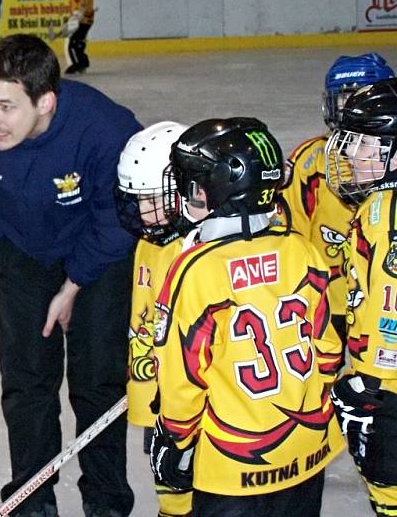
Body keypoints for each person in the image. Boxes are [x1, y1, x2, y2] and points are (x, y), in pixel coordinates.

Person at [0, 35, 141, 517]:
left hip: (96, 256)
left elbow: (120, 216)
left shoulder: (105, 129)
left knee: (99, 383)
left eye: (5, 106)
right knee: (26, 383)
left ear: (45, 102)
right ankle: (31, 500)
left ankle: (106, 502)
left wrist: (74, 284)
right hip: (23, 250)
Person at [151, 117, 343, 516]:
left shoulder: (195, 269)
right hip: (307, 452)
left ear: (222, 190)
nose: (189, 193)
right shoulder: (302, 250)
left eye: (195, 184)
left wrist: (176, 440)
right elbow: (327, 352)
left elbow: (183, 380)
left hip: (234, 466)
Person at [275, 53, 394, 345]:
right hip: (327, 300)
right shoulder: (311, 160)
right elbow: (288, 231)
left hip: (378, 301)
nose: (349, 110)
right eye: (342, 100)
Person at [325, 78, 397, 516]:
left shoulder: (383, 213)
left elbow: (389, 305)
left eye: (364, 145)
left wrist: (376, 388)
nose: (350, 155)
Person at [115, 122, 192, 517]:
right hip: (162, 398)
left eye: (153, 199)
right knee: (169, 485)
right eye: (138, 200)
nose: (144, 211)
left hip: (194, 407)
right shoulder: (150, 243)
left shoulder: (198, 251)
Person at [63, 0, 94, 75]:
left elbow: (78, 3)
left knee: (72, 43)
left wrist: (75, 16)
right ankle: (83, 61)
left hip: (78, 17)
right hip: (89, 19)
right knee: (80, 40)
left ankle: (75, 64)